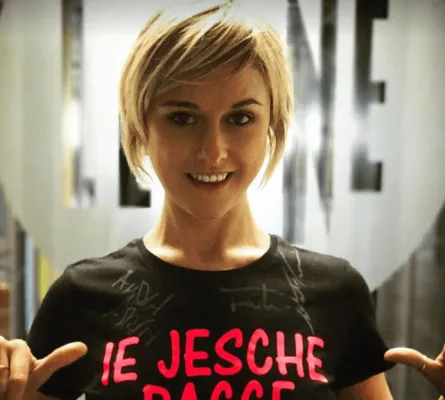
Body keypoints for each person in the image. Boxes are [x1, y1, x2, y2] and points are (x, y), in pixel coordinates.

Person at [0, 1, 444, 399]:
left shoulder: (336, 292)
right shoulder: (81, 296)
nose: (213, 151)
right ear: (141, 127)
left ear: (273, 125)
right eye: (182, 118)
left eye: (240, 118)